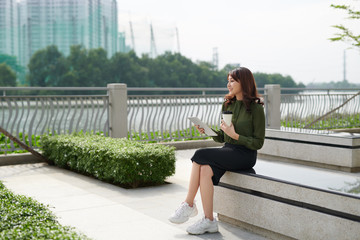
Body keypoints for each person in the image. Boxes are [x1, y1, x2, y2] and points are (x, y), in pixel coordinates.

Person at [168, 67, 265, 235]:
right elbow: (223, 137)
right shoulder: (228, 104)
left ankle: (189, 204)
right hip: (229, 150)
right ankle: (209, 221)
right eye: (228, 80)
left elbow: (258, 143)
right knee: (205, 169)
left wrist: (235, 135)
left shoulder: (256, 108)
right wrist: (209, 131)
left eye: (232, 81)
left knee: (200, 155)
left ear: (244, 82)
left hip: (245, 155)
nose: (229, 84)